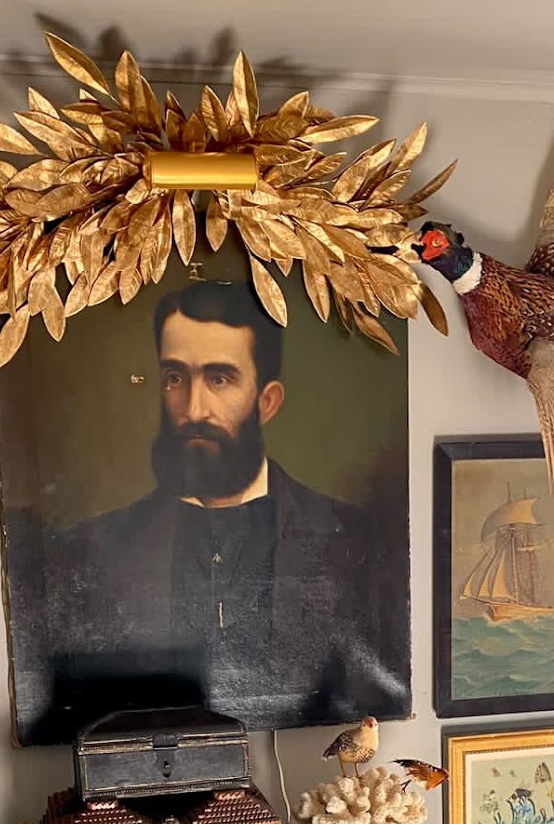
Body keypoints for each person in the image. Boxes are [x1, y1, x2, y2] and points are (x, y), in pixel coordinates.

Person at [42, 278, 408, 736]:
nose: (195, 408)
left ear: (267, 401)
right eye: (176, 378)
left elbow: (377, 689)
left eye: (219, 379)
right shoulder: (91, 550)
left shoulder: (356, 539)